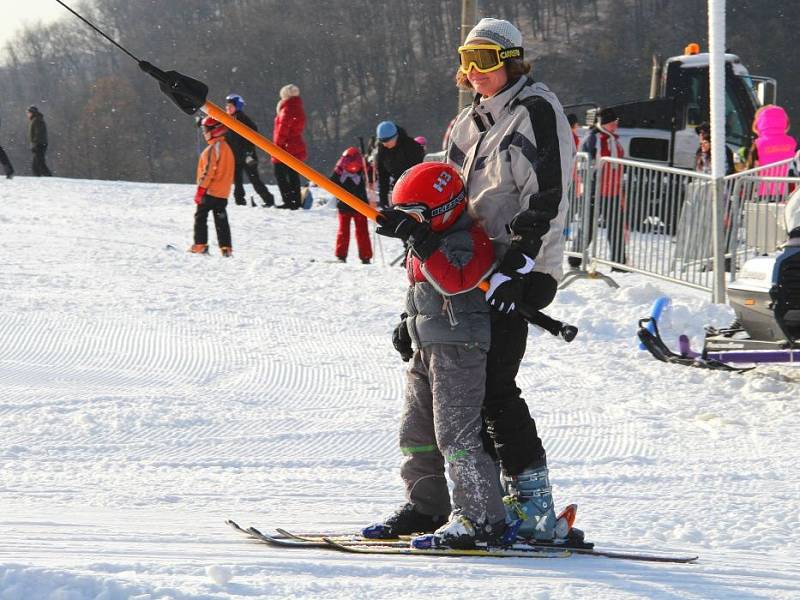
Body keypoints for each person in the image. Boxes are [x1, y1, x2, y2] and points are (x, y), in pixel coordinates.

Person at [446, 17, 576, 542]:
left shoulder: (537, 112)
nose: (475, 71)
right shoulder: (466, 123)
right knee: (469, 389)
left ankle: (534, 507)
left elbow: (549, 195)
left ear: (512, 60)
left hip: (522, 269)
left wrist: (518, 264)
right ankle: (493, 504)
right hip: (473, 268)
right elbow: (449, 193)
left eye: (487, 60)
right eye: (468, 59)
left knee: (496, 387)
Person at [364, 162, 506, 549]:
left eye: (415, 216)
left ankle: (481, 517)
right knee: (416, 433)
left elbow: (455, 280)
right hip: (427, 345)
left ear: (442, 209)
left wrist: (422, 242)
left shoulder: (472, 239)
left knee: (455, 435)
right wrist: (405, 323)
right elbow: (422, 289)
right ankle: (426, 505)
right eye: (404, 217)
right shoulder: (425, 239)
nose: (410, 225)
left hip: (460, 349)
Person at [578, 107, 626, 268]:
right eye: (613, 123)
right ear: (604, 124)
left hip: (612, 191)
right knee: (588, 227)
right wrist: (588, 183)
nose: (615, 126)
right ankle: (576, 257)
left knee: (616, 227)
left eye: (616, 123)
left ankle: (619, 263)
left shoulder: (613, 140)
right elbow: (583, 163)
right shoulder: (593, 139)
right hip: (595, 191)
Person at [190, 116, 235, 256]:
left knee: (200, 217)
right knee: (221, 220)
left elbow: (208, 171)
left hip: (210, 192)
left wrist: (201, 190)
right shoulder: (227, 148)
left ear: (214, 130)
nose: (204, 133)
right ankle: (226, 247)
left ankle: (200, 244)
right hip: (222, 193)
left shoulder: (213, 149)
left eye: (206, 129)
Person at [224, 94, 275, 207]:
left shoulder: (242, 119)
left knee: (254, 179)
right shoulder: (227, 119)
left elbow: (253, 135)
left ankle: (268, 199)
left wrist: (249, 153)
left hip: (247, 156)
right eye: (227, 106)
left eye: (230, 106)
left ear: (237, 107)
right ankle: (239, 201)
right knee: (237, 181)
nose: (227, 108)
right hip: (235, 156)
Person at [744, 105, 797, 198]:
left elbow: (750, 168)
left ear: (759, 122)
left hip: (764, 191)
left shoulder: (758, 144)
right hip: (788, 191)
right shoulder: (792, 142)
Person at [331, 147, 373, 264]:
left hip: (360, 204)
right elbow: (332, 181)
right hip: (344, 205)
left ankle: (366, 256)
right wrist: (338, 170)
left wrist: (369, 165)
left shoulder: (362, 168)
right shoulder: (340, 170)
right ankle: (341, 255)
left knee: (362, 231)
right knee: (343, 231)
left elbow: (371, 176)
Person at [374, 120, 425, 209]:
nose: (385, 144)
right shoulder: (382, 151)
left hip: (415, 185)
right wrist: (383, 200)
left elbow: (419, 169)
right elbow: (383, 177)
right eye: (382, 141)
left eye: (387, 141)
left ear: (395, 136)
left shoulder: (411, 146)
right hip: (399, 186)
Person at [272, 84, 307, 210]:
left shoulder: (287, 109)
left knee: (280, 173)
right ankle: (296, 201)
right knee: (293, 174)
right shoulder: (298, 107)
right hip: (296, 144)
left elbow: (282, 129)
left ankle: (288, 201)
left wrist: (277, 146)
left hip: (286, 146)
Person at [27, 106, 51, 177]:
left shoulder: (37, 120)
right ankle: (39, 178)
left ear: (32, 113)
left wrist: (34, 144)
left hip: (39, 144)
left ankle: (48, 176)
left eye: (28, 112)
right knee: (36, 164)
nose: (27, 114)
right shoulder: (36, 119)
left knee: (39, 163)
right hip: (39, 144)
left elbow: (39, 133)